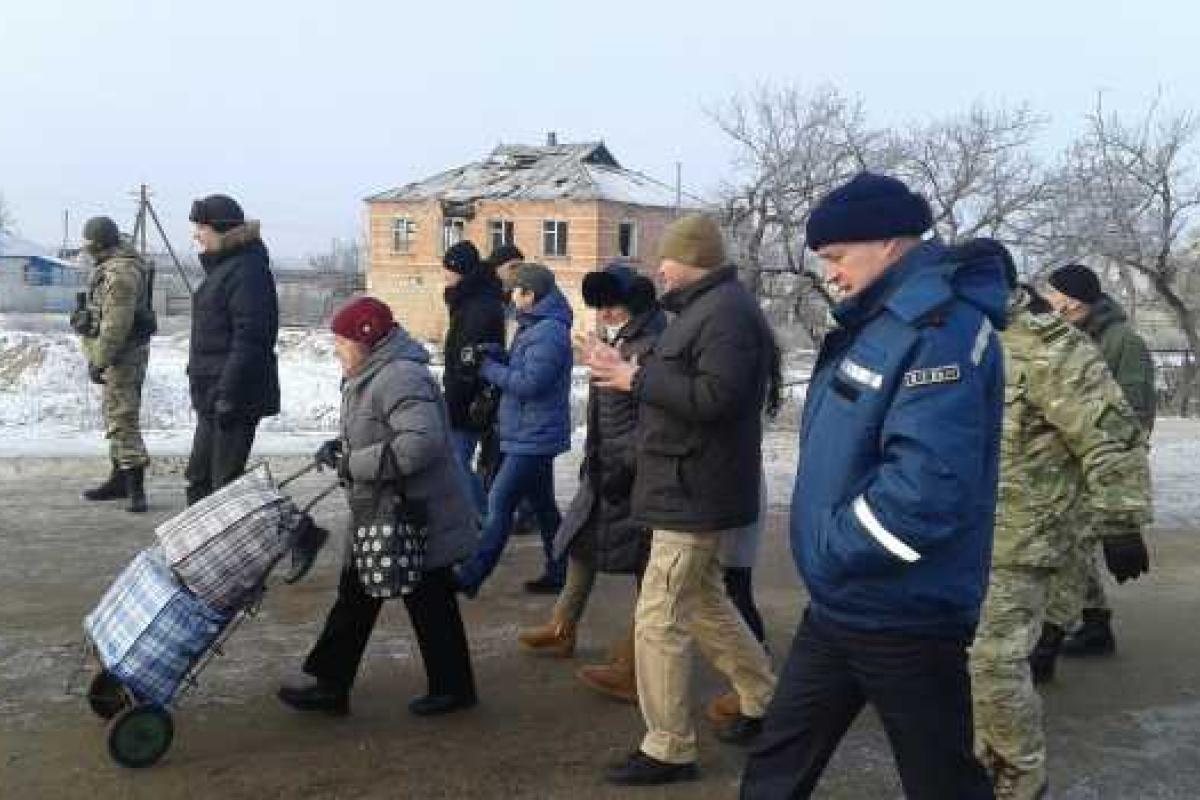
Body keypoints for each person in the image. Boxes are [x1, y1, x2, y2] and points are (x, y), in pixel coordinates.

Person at [740, 173, 1005, 800]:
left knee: (941, 780)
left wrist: (836, 549)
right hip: (842, 602)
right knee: (776, 763)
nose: (829, 274)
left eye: (836, 256)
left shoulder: (938, 330)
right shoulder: (878, 321)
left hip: (904, 612)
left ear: (888, 242)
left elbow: (925, 492)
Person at [589, 213, 779, 787]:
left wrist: (635, 379)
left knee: (658, 616)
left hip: (694, 487)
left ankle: (669, 747)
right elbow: (691, 382)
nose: (660, 269)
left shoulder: (725, 314)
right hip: (688, 482)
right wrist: (629, 368)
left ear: (693, 258)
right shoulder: (707, 309)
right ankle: (762, 699)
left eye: (666, 258)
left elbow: (717, 398)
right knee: (702, 600)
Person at [962, 240, 1151, 799]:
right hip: (952, 535)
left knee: (994, 664)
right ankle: (979, 765)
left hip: (1022, 534)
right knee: (959, 663)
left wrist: (1121, 521)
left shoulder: (1050, 348)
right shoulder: (949, 339)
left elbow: (1110, 434)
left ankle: (1018, 782)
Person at [278, 296, 478, 717]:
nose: (336, 351)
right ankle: (333, 685)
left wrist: (353, 463)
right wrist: (340, 447)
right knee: (359, 593)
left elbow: (420, 443)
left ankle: (452, 689)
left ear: (366, 339)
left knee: (426, 597)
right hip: (383, 512)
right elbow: (379, 430)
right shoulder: (371, 373)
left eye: (342, 342)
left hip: (413, 514)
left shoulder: (399, 376)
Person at [517, 263, 665, 702]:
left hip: (635, 474)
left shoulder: (651, 345)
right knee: (582, 542)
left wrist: (627, 463)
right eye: (600, 308)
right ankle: (562, 625)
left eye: (611, 306)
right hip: (607, 466)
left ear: (633, 302)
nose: (604, 314)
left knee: (652, 574)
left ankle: (637, 664)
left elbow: (653, 419)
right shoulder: (625, 339)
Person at [1041, 264, 1155, 658]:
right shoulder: (1070, 335)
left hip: (1102, 462)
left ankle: (1052, 636)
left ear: (1073, 301)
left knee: (1073, 548)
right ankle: (1093, 623)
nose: (1048, 301)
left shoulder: (1123, 342)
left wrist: (1119, 478)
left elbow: (1135, 413)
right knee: (1074, 545)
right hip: (1068, 461)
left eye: (1053, 294)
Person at [454, 263, 574, 596]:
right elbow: (523, 366)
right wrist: (496, 355)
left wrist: (486, 367)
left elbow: (530, 384)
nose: (511, 297)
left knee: (499, 502)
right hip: (527, 432)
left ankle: (471, 576)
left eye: (515, 291)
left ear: (530, 294)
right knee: (545, 508)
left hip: (534, 435)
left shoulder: (548, 332)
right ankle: (559, 571)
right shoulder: (534, 326)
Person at [184, 195, 280, 504]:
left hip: (235, 396)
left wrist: (228, 394)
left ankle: (229, 532)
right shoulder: (228, 267)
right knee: (199, 479)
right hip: (215, 394)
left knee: (222, 485)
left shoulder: (247, 271)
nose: (196, 235)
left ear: (221, 229)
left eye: (201, 227)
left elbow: (251, 339)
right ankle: (200, 535)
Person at [72, 216, 155, 513]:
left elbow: (116, 325)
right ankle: (119, 480)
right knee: (115, 414)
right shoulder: (117, 265)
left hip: (122, 355)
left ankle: (135, 489)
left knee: (122, 418)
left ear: (98, 244)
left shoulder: (120, 273)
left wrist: (99, 360)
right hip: (121, 353)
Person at [442, 240, 506, 516]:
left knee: (456, 461)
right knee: (459, 460)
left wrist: (455, 398)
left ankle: (483, 517)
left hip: (471, 399)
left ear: (461, 270)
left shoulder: (476, 306)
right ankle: (480, 516)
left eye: (448, 270)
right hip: (472, 395)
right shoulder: (473, 300)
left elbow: (467, 358)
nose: (445, 276)